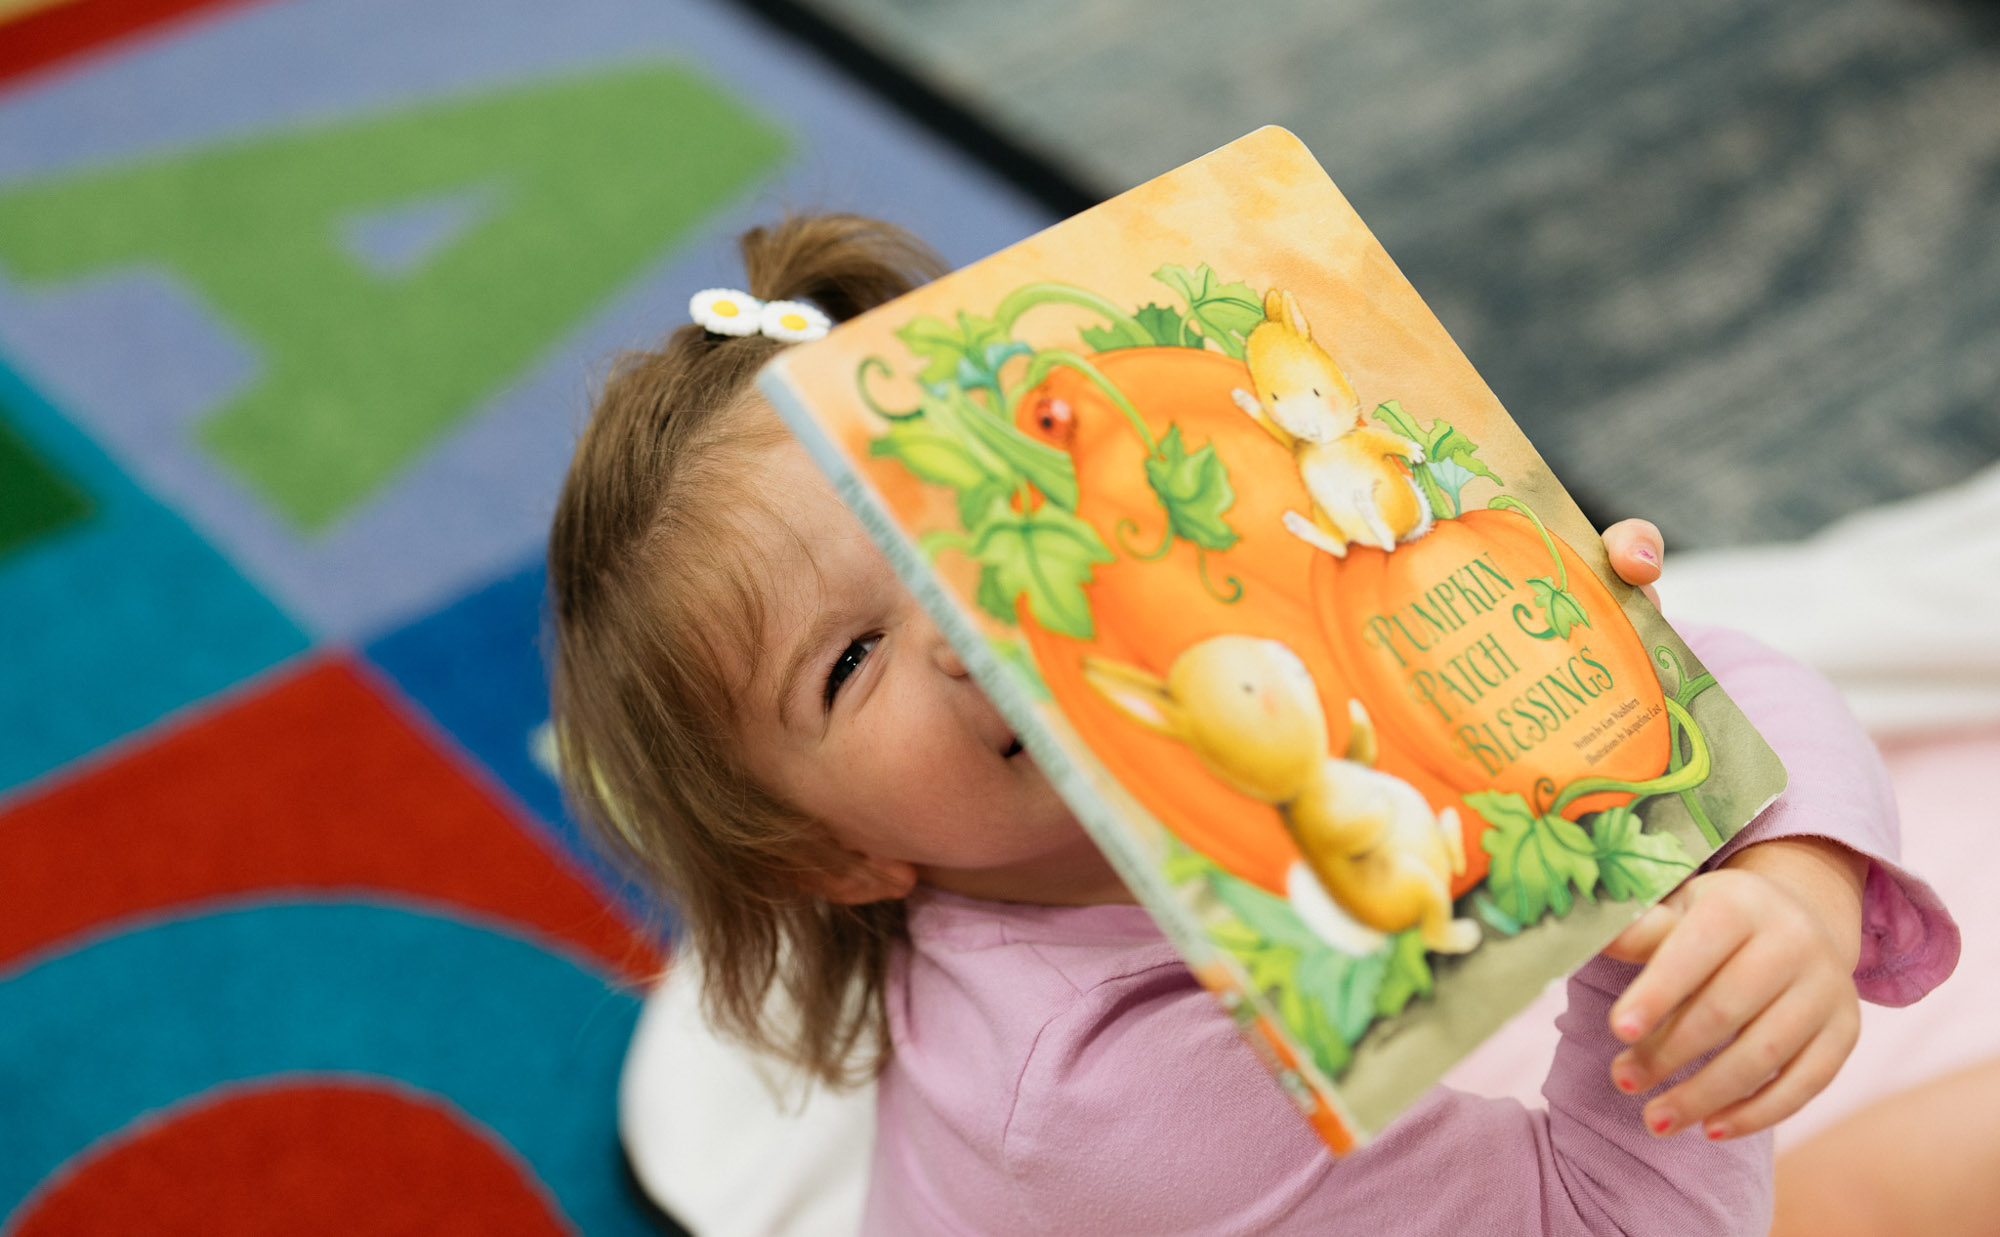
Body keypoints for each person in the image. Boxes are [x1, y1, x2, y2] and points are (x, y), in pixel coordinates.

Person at [547, 214, 1957, 1235]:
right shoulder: (1103, 1098)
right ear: (834, 857)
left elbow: (1717, 691)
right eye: (850, 660)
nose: (964, 622)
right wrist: (1643, 946)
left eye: (970, 522)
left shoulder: (1241, 647)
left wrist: (1792, 874)